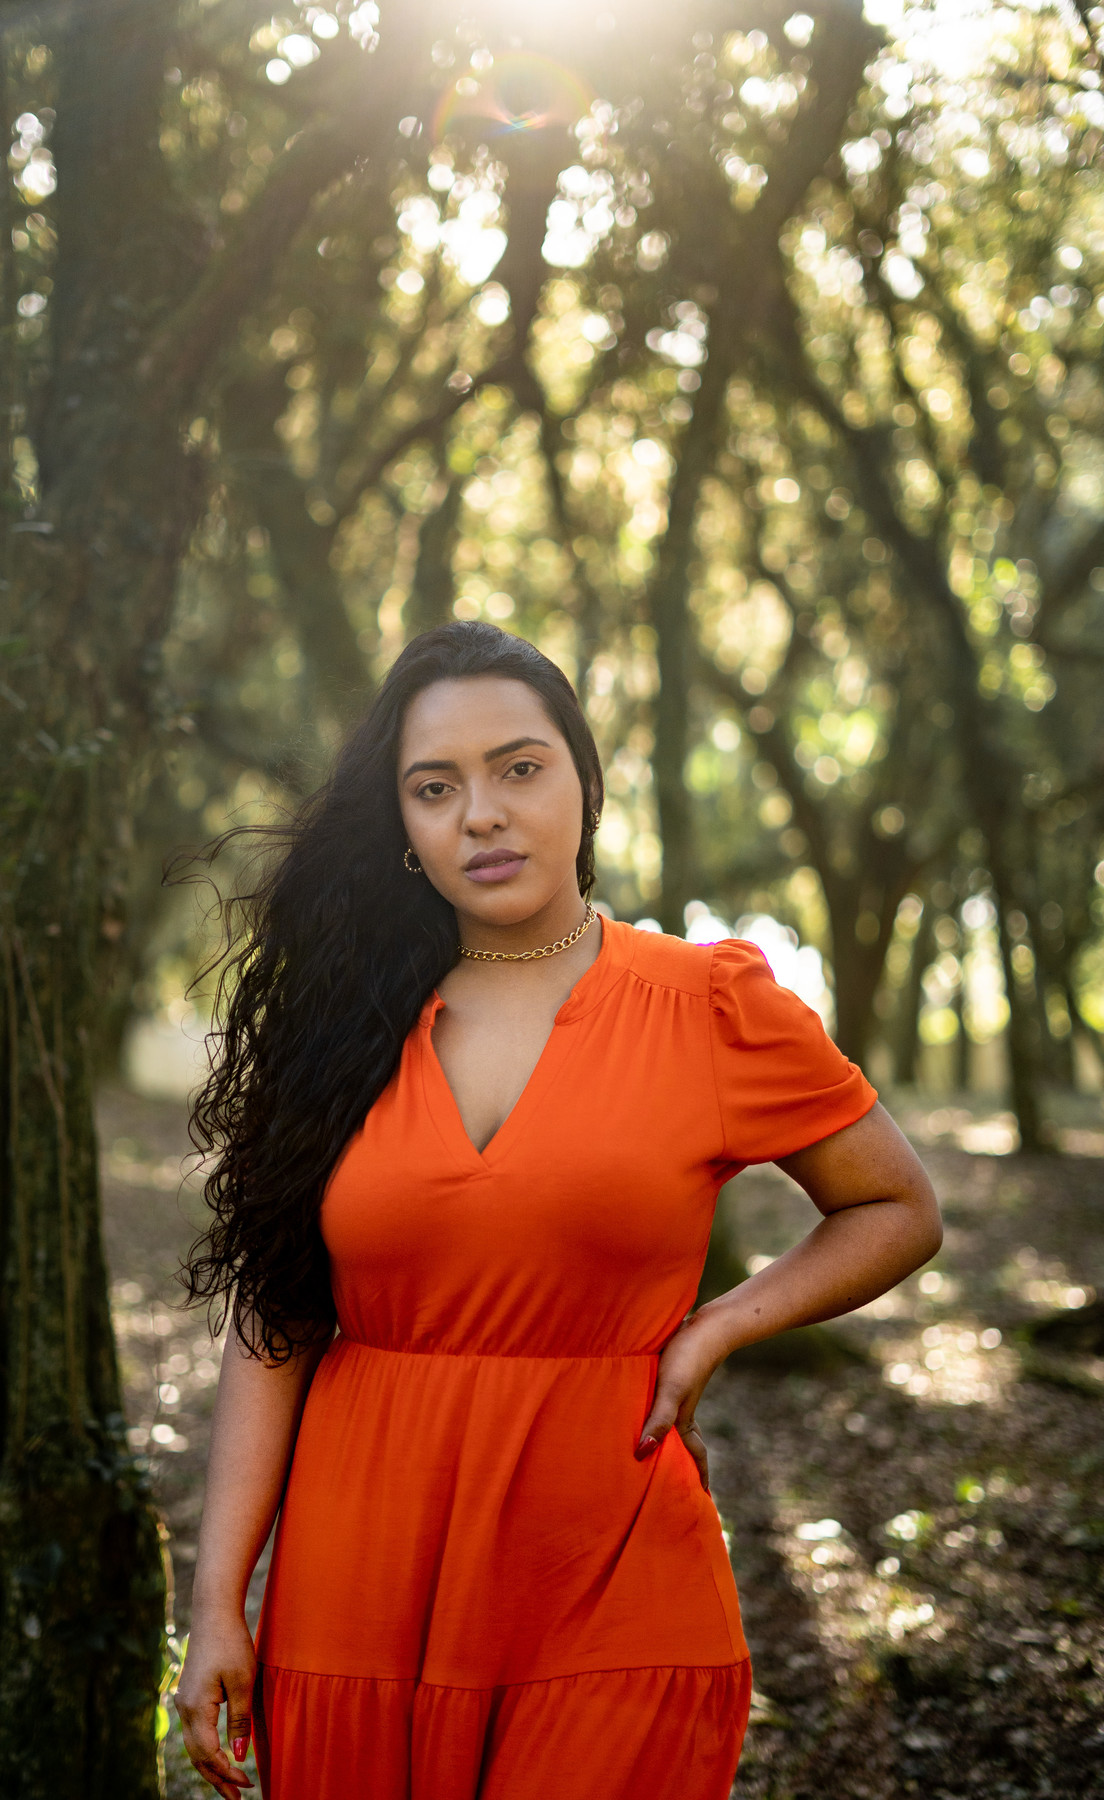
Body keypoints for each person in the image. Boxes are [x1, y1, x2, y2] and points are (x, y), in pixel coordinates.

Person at [174, 621, 942, 1800]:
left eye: (519, 768)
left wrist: (720, 1325)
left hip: (607, 1560)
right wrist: (218, 1600)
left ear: (586, 781)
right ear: (405, 829)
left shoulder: (710, 1003)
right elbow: (275, 1322)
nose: (481, 813)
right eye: (436, 788)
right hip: (361, 1571)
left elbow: (894, 1205)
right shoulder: (340, 1028)